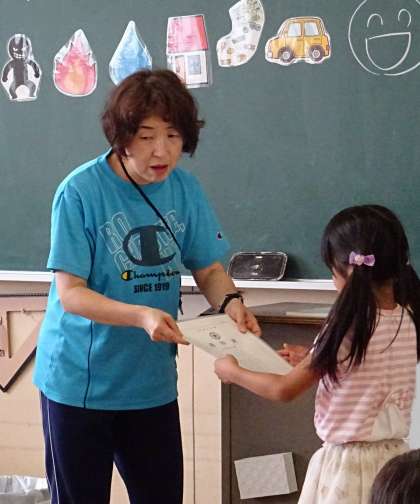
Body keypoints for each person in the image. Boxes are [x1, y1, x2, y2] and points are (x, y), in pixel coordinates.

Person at [33, 68, 261, 504]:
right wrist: (140, 315)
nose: (162, 150)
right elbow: (71, 294)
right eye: (147, 136)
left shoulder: (185, 189)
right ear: (121, 136)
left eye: (173, 136)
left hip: (150, 383)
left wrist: (231, 301)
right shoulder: (80, 192)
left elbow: (209, 269)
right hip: (79, 383)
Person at [215, 204, 420, 504]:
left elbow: (283, 390)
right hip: (392, 468)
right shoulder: (408, 318)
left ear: (347, 269)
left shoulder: (349, 324)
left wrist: (233, 372)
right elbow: (372, 373)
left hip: (346, 471)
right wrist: (318, 361)